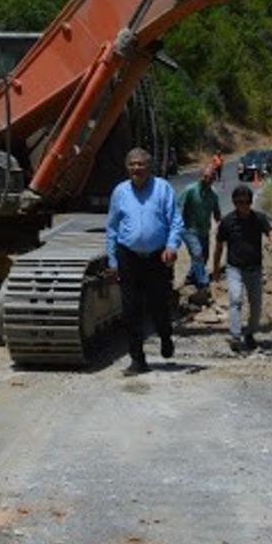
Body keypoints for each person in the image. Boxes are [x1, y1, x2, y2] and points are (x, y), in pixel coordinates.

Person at [105, 147, 184, 375]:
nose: (136, 168)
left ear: (149, 167)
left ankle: (165, 336)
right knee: (131, 311)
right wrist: (112, 260)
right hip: (128, 256)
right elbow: (112, 228)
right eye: (132, 164)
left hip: (156, 257)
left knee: (158, 305)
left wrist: (172, 246)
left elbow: (175, 221)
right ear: (127, 167)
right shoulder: (120, 191)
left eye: (140, 164)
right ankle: (138, 360)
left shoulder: (162, 188)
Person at [211, 184, 272, 352]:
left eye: (246, 202)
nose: (243, 206)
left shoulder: (259, 218)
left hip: (254, 268)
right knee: (236, 299)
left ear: (250, 202)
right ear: (234, 203)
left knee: (256, 305)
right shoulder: (227, 222)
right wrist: (215, 269)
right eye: (239, 202)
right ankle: (235, 336)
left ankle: (250, 334)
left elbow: (271, 232)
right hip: (234, 268)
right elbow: (219, 247)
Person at [176, 165, 221, 300]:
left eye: (210, 177)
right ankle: (203, 284)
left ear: (214, 179)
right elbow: (178, 206)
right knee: (197, 253)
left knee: (204, 256)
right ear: (200, 176)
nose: (207, 179)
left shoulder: (213, 195)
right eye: (205, 176)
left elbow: (217, 213)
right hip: (188, 229)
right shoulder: (190, 190)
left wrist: (221, 225)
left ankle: (191, 277)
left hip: (204, 230)